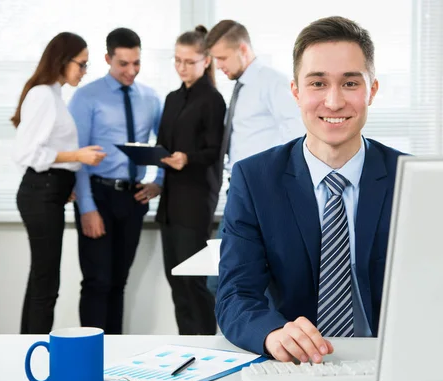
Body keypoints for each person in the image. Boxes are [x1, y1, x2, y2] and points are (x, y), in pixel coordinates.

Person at [216, 16, 406, 362]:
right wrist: (271, 332)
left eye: (350, 84)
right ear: (296, 92)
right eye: (318, 84)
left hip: (390, 361)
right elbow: (235, 296)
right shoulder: (255, 180)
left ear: (372, 91)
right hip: (294, 364)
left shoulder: (411, 178)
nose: (333, 102)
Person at [69, 28, 163, 334]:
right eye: (123, 63)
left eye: (136, 63)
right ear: (108, 58)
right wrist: (87, 208)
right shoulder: (86, 96)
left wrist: (158, 180)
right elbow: (78, 157)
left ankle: (112, 355)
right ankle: (90, 354)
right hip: (98, 195)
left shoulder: (150, 97)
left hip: (132, 198)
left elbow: (164, 144)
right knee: (98, 281)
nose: (131, 71)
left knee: (119, 281)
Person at [12, 32, 106, 334]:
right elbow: (27, 152)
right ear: (63, 61)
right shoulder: (42, 94)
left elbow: (48, 154)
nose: (84, 71)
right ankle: (33, 350)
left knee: (42, 277)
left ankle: (26, 346)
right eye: (82, 64)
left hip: (49, 191)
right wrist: (77, 155)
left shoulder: (53, 95)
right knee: (46, 281)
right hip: (41, 193)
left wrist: (65, 181)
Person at [205, 19, 305, 294]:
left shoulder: (271, 82)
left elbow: (296, 132)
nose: (219, 65)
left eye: (223, 57)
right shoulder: (241, 88)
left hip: (265, 191)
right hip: (240, 189)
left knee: (233, 280)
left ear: (243, 49)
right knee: (225, 279)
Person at [155, 26, 226, 335]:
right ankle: (187, 344)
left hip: (195, 200)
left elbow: (214, 151)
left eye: (189, 61)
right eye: (177, 60)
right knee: (175, 280)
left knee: (193, 282)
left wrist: (187, 158)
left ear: (206, 60)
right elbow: (163, 144)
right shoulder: (172, 99)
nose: (182, 67)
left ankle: (206, 345)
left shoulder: (212, 99)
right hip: (170, 200)